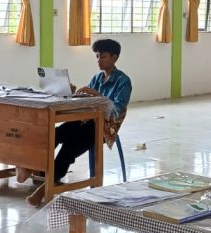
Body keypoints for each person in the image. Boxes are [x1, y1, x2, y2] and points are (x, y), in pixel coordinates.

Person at [26, 38, 132, 207]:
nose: (99, 60)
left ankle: (45, 188)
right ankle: (37, 168)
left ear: (114, 57)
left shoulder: (123, 81)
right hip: (86, 120)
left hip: (104, 127)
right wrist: (72, 93)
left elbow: (117, 111)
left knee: (70, 147)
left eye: (103, 56)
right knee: (57, 133)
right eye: (97, 56)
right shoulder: (97, 78)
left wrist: (97, 95)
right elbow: (86, 101)